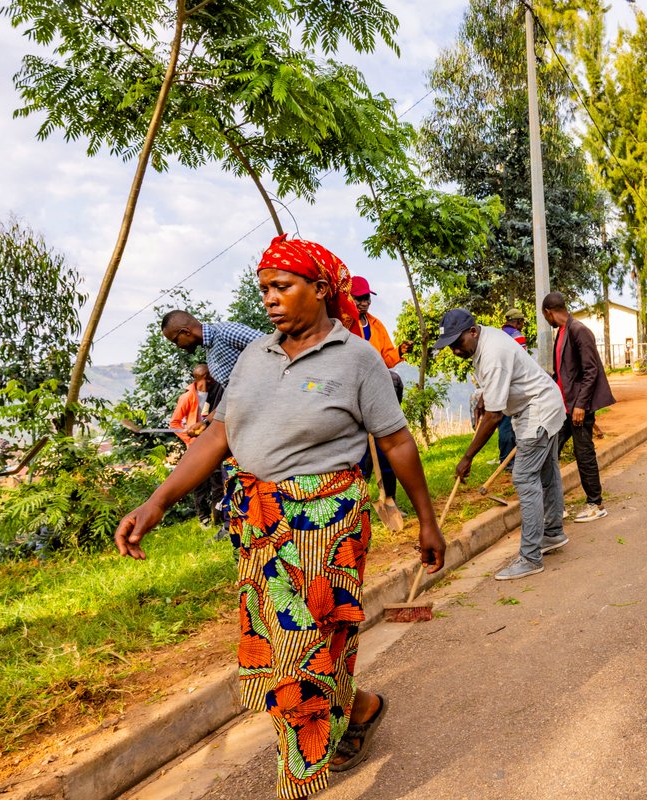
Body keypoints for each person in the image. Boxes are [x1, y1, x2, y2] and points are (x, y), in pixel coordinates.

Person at [115, 233, 446, 800]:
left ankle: (296, 784)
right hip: (261, 522)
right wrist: (157, 501)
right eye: (264, 287)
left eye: (281, 286)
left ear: (319, 289)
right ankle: (360, 708)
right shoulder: (252, 356)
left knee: (299, 657)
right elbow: (218, 434)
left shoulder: (357, 359)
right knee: (289, 648)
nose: (268, 298)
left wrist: (427, 520)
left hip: (328, 523)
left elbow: (395, 443)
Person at [436, 308, 567, 581]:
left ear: (472, 332)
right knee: (546, 470)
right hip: (545, 403)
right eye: (450, 347)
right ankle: (552, 533)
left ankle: (531, 557)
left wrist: (468, 456)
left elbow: (494, 416)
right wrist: (486, 393)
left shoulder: (492, 353)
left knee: (524, 478)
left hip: (538, 410)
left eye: (457, 344)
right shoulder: (485, 339)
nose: (455, 352)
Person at [542, 291, 616, 523]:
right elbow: (564, 374)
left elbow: (590, 370)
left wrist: (581, 405)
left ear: (549, 312)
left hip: (578, 407)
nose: (546, 320)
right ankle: (556, 506)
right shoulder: (562, 333)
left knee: (583, 453)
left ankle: (596, 503)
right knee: (549, 452)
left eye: (545, 316)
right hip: (564, 408)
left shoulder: (578, 331)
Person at [350, 275, 404, 505]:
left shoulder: (376, 325)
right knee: (359, 451)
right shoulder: (342, 324)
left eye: (366, 299)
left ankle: (389, 498)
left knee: (384, 446)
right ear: (348, 298)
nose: (364, 303)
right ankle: (357, 502)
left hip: (378, 391)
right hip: (354, 393)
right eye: (358, 298)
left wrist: (400, 350)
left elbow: (387, 359)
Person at [169, 363, 224, 525]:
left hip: (213, 444)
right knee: (199, 484)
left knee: (217, 482)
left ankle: (218, 518)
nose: (209, 380)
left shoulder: (217, 391)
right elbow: (174, 423)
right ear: (197, 379)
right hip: (196, 446)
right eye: (205, 377)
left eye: (210, 376)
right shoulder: (187, 397)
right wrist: (190, 440)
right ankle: (204, 518)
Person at [160, 310, 263, 386]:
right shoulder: (209, 352)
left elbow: (272, 346)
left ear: (186, 332)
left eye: (175, 341)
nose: (178, 346)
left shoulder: (225, 332)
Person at [495, 308, 527, 467]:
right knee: (509, 422)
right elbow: (522, 363)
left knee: (502, 422)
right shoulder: (517, 336)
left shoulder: (498, 335)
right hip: (512, 384)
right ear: (518, 322)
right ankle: (510, 461)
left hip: (497, 383)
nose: (522, 326)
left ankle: (505, 458)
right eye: (522, 322)